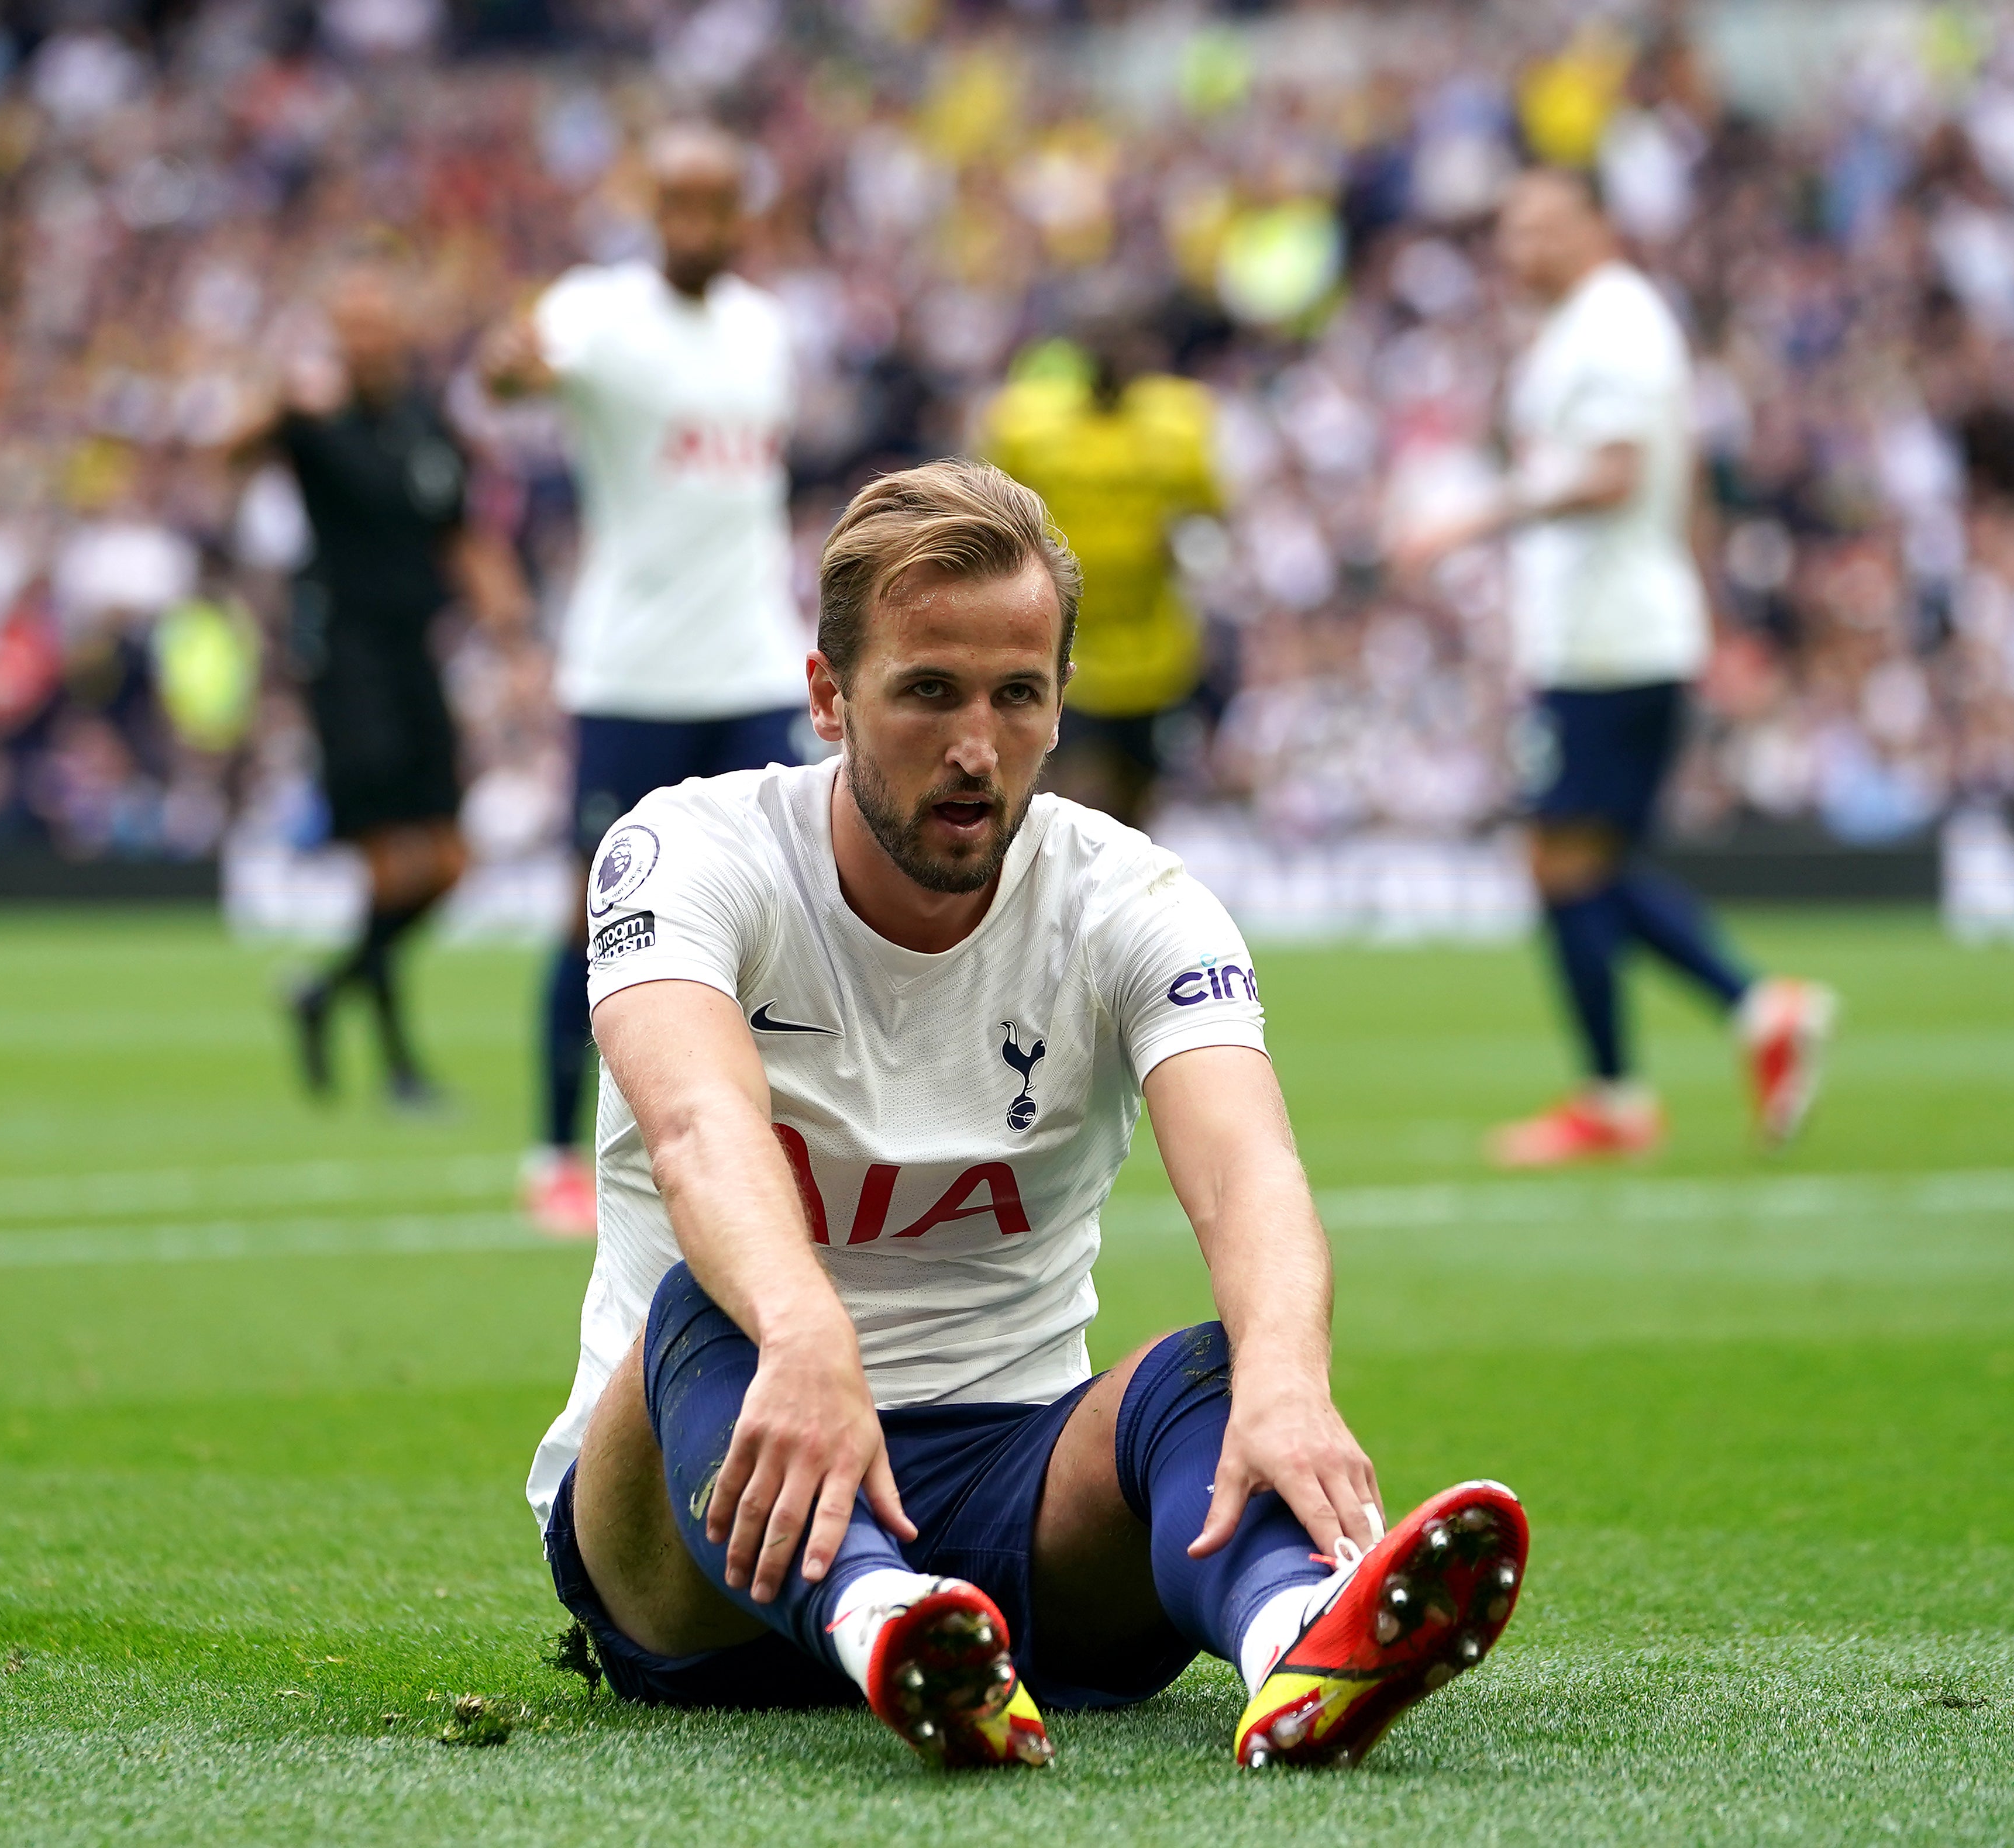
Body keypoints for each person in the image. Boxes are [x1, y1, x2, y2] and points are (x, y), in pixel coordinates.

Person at [527, 460, 1528, 1773]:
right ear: (828, 696)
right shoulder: (686, 851)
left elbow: (1246, 1172)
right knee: (708, 1308)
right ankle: (884, 1613)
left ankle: (1300, 1636)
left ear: (1061, 704)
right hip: (697, 1504)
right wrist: (807, 1329)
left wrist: (1289, 1378)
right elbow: (698, 1127)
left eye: (1017, 697)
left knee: (1211, 1369)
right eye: (928, 691)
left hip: (1003, 1484)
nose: (973, 747)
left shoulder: (1134, 896)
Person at [1393, 167, 1834, 1166]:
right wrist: (1714, 621)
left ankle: (1632, 1085)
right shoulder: (1597, 325)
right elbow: (1677, 491)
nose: (1518, 250)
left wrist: (1470, 517)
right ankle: (1739, 1019)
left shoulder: (1613, 323)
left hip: (1608, 642)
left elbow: (1617, 473)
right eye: (1507, 231)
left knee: (1562, 863)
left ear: (1595, 223)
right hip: (1621, 632)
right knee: (1579, 865)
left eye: (1540, 226)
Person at [481, 123, 811, 1237]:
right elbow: (508, 366)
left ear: (741, 217)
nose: (698, 227)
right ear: (651, 207)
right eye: (679, 205)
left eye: (718, 207)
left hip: (753, 663)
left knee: (785, 915)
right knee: (595, 914)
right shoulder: (598, 312)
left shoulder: (766, 332)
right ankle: (550, 1154)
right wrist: (508, 367)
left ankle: (777, 1150)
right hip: (627, 670)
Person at [239, 267, 521, 1109]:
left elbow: (461, 535)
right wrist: (278, 391)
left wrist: (511, 629)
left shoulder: (427, 426)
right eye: (348, 327)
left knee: (449, 862)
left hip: (413, 654)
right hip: (344, 659)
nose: (363, 341)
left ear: (398, 334)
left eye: (375, 325)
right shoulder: (312, 421)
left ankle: (326, 992)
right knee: (391, 862)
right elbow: (223, 446)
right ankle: (399, 1065)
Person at [981, 315, 1224, 826]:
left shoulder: (1178, 430)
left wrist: (1185, 547)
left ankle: (1120, 892)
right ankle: (1063, 890)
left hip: (1153, 646)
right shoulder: (1030, 428)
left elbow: (1209, 520)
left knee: (1140, 787)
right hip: (1066, 640)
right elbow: (993, 508)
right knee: (1073, 784)